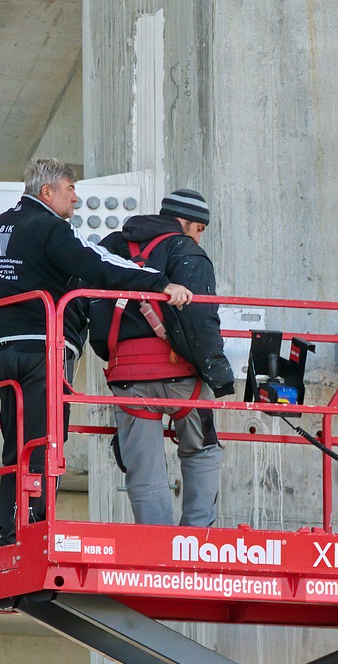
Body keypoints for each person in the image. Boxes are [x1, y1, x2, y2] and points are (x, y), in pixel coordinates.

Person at [0, 158, 193, 545]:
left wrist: (11, 310)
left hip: (1, 347)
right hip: (44, 346)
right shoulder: (51, 227)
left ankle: (9, 527)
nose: (76, 198)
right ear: (47, 192)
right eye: (70, 189)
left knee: (16, 439)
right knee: (45, 437)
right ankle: (34, 528)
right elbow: (98, 264)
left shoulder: (2, 224)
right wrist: (160, 284)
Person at [89, 189, 235, 527]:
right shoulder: (184, 249)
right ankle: (196, 539)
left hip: (127, 376)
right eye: (199, 228)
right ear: (184, 222)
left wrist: (113, 352)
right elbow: (200, 319)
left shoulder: (111, 247)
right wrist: (217, 372)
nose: (198, 236)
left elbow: (89, 304)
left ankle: (155, 544)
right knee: (202, 448)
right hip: (179, 375)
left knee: (144, 466)